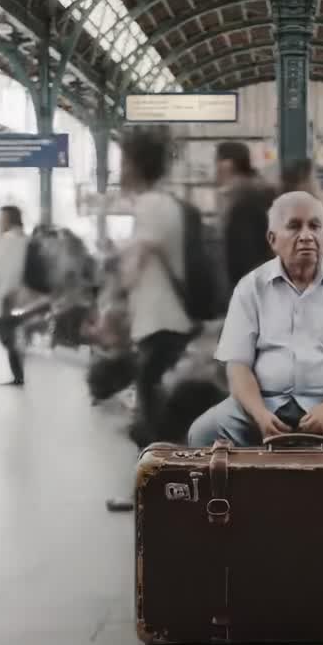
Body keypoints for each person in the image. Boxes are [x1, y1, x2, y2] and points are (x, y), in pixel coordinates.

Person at [187, 191, 323, 449]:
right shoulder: (251, 287)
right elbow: (238, 366)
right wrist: (260, 415)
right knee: (204, 432)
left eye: (315, 226)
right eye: (294, 226)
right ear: (273, 239)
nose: (306, 236)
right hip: (263, 403)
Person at [119, 129, 195, 447]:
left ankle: (162, 486)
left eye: (123, 162)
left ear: (135, 165)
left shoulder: (149, 204)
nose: (120, 170)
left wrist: (122, 284)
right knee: (150, 410)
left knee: (152, 417)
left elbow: (134, 266)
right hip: (166, 320)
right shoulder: (166, 203)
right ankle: (159, 483)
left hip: (161, 320)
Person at [217, 142, 276, 287]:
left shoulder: (243, 200)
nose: (215, 171)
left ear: (227, 165)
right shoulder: (256, 192)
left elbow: (245, 252)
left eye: (217, 162)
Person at [0, 205, 28, 386]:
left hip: (9, 294)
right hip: (23, 293)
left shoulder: (8, 239)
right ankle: (18, 374)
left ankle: (18, 376)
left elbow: (7, 270)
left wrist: (4, 293)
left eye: (0, 218)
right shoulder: (25, 238)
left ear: (8, 219)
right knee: (13, 334)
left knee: (7, 336)